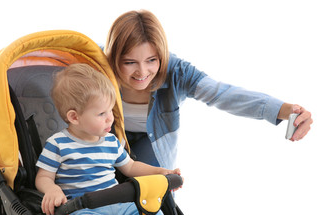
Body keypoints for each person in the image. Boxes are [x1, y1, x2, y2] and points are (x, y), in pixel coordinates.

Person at [103, 9, 313, 170]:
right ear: (113, 57)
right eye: (130, 62)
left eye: (151, 60)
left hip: (152, 143)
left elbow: (223, 94)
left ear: (161, 56)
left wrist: (286, 110)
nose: (142, 72)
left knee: (151, 194)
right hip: (103, 136)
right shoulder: (95, 65)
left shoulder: (176, 71)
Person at [35, 63, 181, 215]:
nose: (110, 118)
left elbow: (132, 167)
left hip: (119, 204)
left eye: (111, 110)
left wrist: (161, 172)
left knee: (153, 213)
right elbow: (43, 177)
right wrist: (52, 190)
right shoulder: (58, 144)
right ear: (74, 117)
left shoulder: (111, 141)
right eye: (101, 113)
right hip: (85, 211)